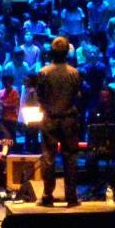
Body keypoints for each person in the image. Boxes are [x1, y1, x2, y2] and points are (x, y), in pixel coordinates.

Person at [37, 37, 81, 207]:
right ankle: (71, 196)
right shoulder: (74, 72)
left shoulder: (44, 72)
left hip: (50, 118)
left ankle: (48, 195)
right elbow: (77, 95)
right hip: (69, 119)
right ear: (67, 52)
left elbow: (40, 96)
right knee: (70, 157)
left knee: (48, 157)